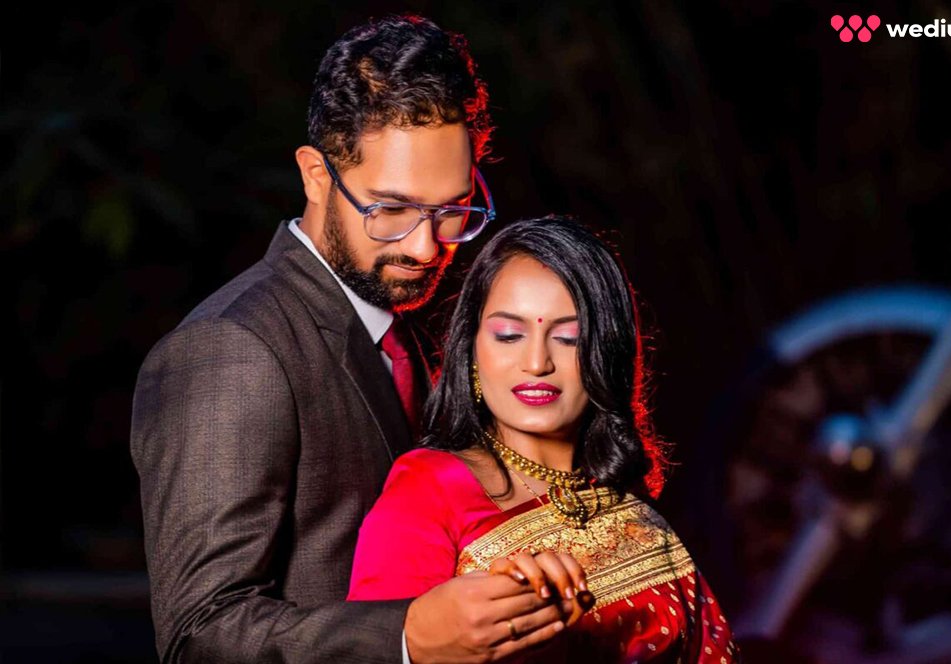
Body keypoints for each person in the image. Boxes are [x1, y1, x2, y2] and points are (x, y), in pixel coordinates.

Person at [131, 16, 576, 663]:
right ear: (316, 175)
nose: (425, 247)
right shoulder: (230, 349)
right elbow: (199, 636)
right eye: (391, 210)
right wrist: (407, 638)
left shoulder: (417, 324)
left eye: (453, 210)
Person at [348, 216, 741, 662]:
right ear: (471, 350)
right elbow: (376, 652)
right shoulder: (431, 487)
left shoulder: (624, 501)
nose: (537, 363)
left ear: (605, 353)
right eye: (509, 335)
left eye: (569, 339)